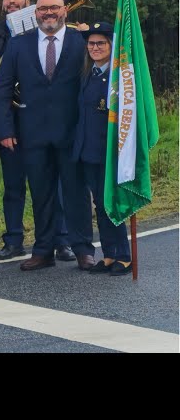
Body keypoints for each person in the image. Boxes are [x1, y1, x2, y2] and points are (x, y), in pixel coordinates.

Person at [0, 0, 73, 261]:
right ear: (1, 3)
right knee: (14, 185)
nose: (12, 2)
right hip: (12, 121)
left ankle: (61, 239)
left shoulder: (45, 28)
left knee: (54, 184)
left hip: (44, 123)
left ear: (28, 2)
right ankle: (14, 240)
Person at [0, 0, 92, 271]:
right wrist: (5, 129)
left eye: (55, 8)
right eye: (43, 9)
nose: (49, 13)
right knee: (41, 193)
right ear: (35, 13)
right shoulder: (18, 44)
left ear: (65, 12)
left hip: (72, 134)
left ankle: (83, 248)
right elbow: (2, 89)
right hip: (32, 134)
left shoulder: (81, 42)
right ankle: (44, 250)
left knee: (76, 193)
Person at [72, 21, 131, 275]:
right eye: (91, 43)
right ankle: (108, 254)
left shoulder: (118, 78)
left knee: (112, 204)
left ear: (111, 45)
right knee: (99, 204)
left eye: (101, 43)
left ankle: (124, 255)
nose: (95, 47)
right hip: (88, 150)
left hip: (109, 152)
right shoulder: (87, 73)